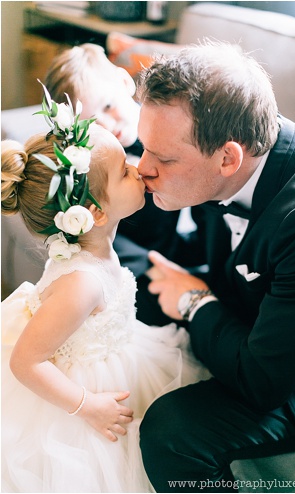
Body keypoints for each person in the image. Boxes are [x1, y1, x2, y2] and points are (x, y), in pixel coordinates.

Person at [133, 41, 295, 492]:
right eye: (145, 148)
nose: (142, 168)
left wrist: (193, 301)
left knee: (173, 432)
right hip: (249, 310)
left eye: (162, 159)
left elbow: (265, 382)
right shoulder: (222, 161)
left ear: (228, 158)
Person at [1, 88, 210, 492]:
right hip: (85, 396)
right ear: (93, 212)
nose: (138, 169)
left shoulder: (99, 252)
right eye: (123, 171)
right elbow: (26, 362)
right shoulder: (81, 283)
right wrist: (88, 406)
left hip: (123, 355)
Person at [44, 43, 183, 287]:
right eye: (92, 124)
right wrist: (148, 266)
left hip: (180, 245)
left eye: (108, 106)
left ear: (124, 82)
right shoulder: (88, 163)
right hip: (131, 262)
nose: (108, 125)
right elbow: (88, 232)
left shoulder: (170, 129)